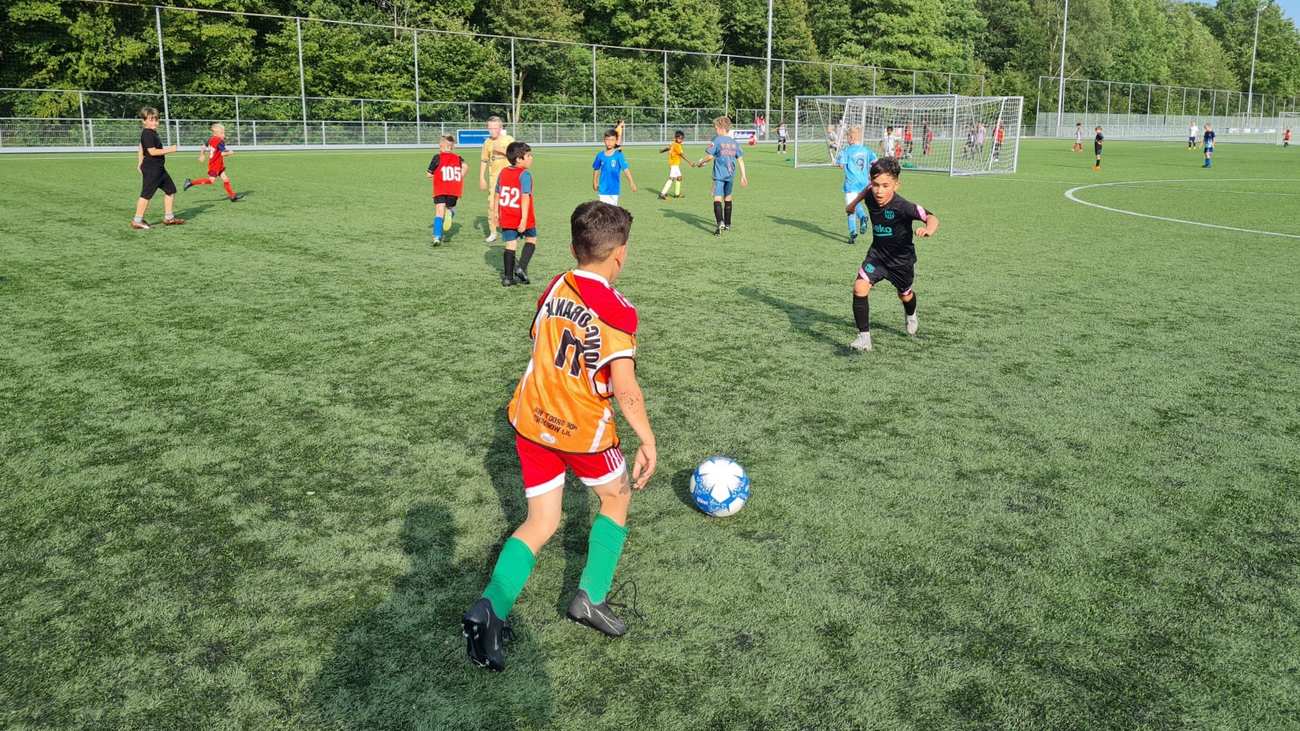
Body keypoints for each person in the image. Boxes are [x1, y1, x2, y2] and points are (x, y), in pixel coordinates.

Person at [462, 200, 657, 673]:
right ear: (621, 255)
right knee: (617, 497)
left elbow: (541, 340)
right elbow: (625, 388)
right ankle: (589, 596)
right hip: (583, 433)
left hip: (531, 420)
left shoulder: (555, 284)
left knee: (540, 522)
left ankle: (491, 607)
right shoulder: (618, 312)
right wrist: (647, 439)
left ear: (573, 248)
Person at [843, 158, 939, 352]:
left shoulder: (903, 206)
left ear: (896, 184)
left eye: (885, 186)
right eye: (876, 184)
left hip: (901, 261)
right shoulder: (871, 193)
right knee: (859, 288)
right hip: (877, 256)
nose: (879, 190)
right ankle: (864, 339)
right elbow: (865, 192)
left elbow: (931, 217)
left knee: (905, 295)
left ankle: (911, 314)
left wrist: (928, 229)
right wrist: (853, 205)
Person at [131, 107, 184, 230]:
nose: (155, 123)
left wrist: (139, 162)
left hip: (159, 169)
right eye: (151, 120)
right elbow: (152, 151)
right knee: (146, 194)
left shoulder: (151, 132)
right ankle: (137, 220)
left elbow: (140, 147)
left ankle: (169, 218)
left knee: (170, 190)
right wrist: (171, 149)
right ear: (144, 121)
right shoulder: (147, 133)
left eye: (156, 120)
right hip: (152, 169)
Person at [697, 116, 748, 236]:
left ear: (720, 128)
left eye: (715, 128)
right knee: (728, 198)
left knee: (717, 199)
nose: (715, 130)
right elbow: (740, 160)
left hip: (719, 176)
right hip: (730, 176)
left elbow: (710, 156)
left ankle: (720, 222)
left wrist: (701, 162)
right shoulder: (734, 143)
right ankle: (728, 224)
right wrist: (743, 176)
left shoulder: (717, 140)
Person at [495, 142, 537, 286]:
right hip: (522, 215)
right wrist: (524, 219)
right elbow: (525, 197)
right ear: (519, 159)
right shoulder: (525, 174)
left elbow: (497, 194)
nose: (531, 158)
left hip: (506, 214)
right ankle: (521, 267)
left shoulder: (503, 172)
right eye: (528, 155)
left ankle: (507, 278)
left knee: (510, 244)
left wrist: (496, 213)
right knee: (531, 239)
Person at [836, 126, 877, 245]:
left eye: (847, 137)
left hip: (851, 183)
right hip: (864, 183)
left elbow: (841, 166)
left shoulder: (846, 151)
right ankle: (860, 221)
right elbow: (875, 162)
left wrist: (838, 160)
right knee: (857, 202)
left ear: (850, 137)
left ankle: (854, 230)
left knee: (850, 208)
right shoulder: (866, 150)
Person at [426, 134, 468, 245]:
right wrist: (460, 176)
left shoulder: (437, 157)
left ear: (441, 146)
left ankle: (436, 237)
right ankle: (450, 212)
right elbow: (465, 166)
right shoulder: (458, 158)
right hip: (454, 189)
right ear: (452, 147)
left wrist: (434, 174)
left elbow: (428, 174)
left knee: (439, 211)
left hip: (440, 188)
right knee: (450, 207)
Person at [183, 123, 241, 202]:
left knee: (226, 179)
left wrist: (202, 155)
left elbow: (203, 146)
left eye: (224, 132)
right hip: (215, 165)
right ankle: (190, 182)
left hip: (218, 164)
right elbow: (222, 153)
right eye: (222, 133)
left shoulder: (211, 139)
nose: (224, 134)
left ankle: (232, 196)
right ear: (216, 133)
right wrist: (230, 153)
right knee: (211, 180)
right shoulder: (220, 141)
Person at [479, 116, 515, 243]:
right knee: (491, 205)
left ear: (500, 128)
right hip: (494, 179)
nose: (492, 131)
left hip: (510, 179)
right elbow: (484, 160)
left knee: (511, 204)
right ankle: (493, 231)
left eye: (494, 128)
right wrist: (482, 178)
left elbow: (515, 154)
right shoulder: (487, 143)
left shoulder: (509, 139)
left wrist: (498, 149)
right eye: (489, 128)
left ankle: (513, 228)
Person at [593, 128, 636, 205]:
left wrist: (631, 182)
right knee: (604, 211)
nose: (609, 142)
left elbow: (625, 170)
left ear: (616, 141)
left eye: (612, 140)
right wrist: (595, 182)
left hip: (614, 189)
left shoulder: (619, 155)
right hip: (603, 189)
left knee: (613, 212)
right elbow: (596, 169)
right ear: (604, 140)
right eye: (607, 139)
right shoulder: (600, 155)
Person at [657, 129, 694, 200]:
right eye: (680, 138)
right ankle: (662, 194)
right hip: (674, 164)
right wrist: (690, 162)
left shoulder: (673, 143)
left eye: (682, 138)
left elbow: (668, 148)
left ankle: (677, 194)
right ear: (676, 138)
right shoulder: (677, 145)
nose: (681, 140)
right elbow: (682, 155)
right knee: (671, 178)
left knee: (679, 178)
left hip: (674, 164)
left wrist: (662, 151)